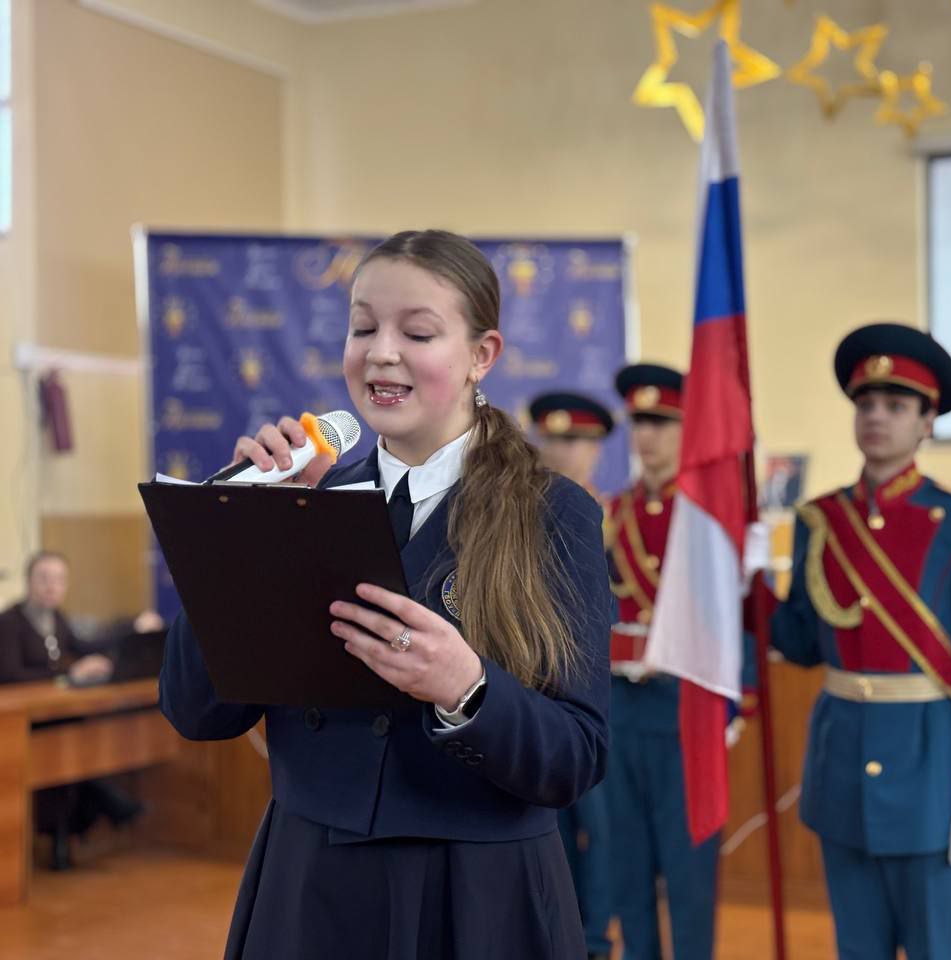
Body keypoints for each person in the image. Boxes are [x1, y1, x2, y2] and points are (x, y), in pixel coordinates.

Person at [159, 230, 612, 960]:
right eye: (363, 328)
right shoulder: (305, 498)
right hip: (311, 886)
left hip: (477, 896)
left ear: (482, 355)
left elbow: (575, 756)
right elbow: (196, 711)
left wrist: (467, 688)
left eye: (418, 333)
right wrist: (244, 532)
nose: (381, 353)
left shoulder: (552, 513)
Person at [766, 322, 951, 959]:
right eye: (866, 403)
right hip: (841, 767)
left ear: (927, 422)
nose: (876, 416)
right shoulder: (821, 521)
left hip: (928, 770)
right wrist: (752, 583)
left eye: (896, 405)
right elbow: (801, 643)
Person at [603, 363, 720, 960]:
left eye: (661, 422)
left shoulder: (706, 518)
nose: (646, 435)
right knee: (627, 866)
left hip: (685, 708)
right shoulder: (612, 514)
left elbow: (733, 618)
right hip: (623, 709)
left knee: (688, 871)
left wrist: (738, 701)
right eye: (639, 422)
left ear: (686, 428)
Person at [527, 389, 616, 960]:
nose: (563, 451)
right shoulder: (518, 518)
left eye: (577, 440)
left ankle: (596, 939)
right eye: (554, 439)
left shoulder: (617, 521)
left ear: (598, 448)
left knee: (602, 830)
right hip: (534, 696)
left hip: (601, 695)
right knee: (547, 826)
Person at [0, 551, 144, 869]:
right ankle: (107, 806)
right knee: (62, 752)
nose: (51, 586)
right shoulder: (9, 622)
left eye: (59, 580)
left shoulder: (58, 618)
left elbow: (85, 646)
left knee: (81, 740)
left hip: (57, 712)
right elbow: (9, 675)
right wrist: (69, 673)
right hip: (23, 721)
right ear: (28, 581)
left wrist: (132, 626)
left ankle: (76, 829)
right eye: (44, 578)